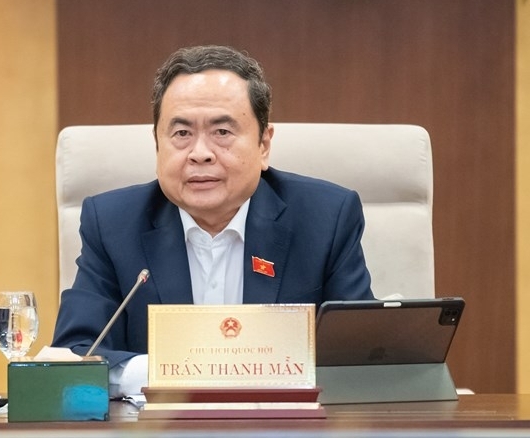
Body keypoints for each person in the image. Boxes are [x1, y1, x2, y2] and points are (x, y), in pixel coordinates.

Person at [52, 45, 374, 396]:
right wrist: (169, 374)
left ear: (264, 145)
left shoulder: (326, 218)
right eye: (182, 134)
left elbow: (363, 356)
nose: (200, 153)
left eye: (222, 132)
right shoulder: (112, 224)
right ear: (157, 144)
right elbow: (72, 357)